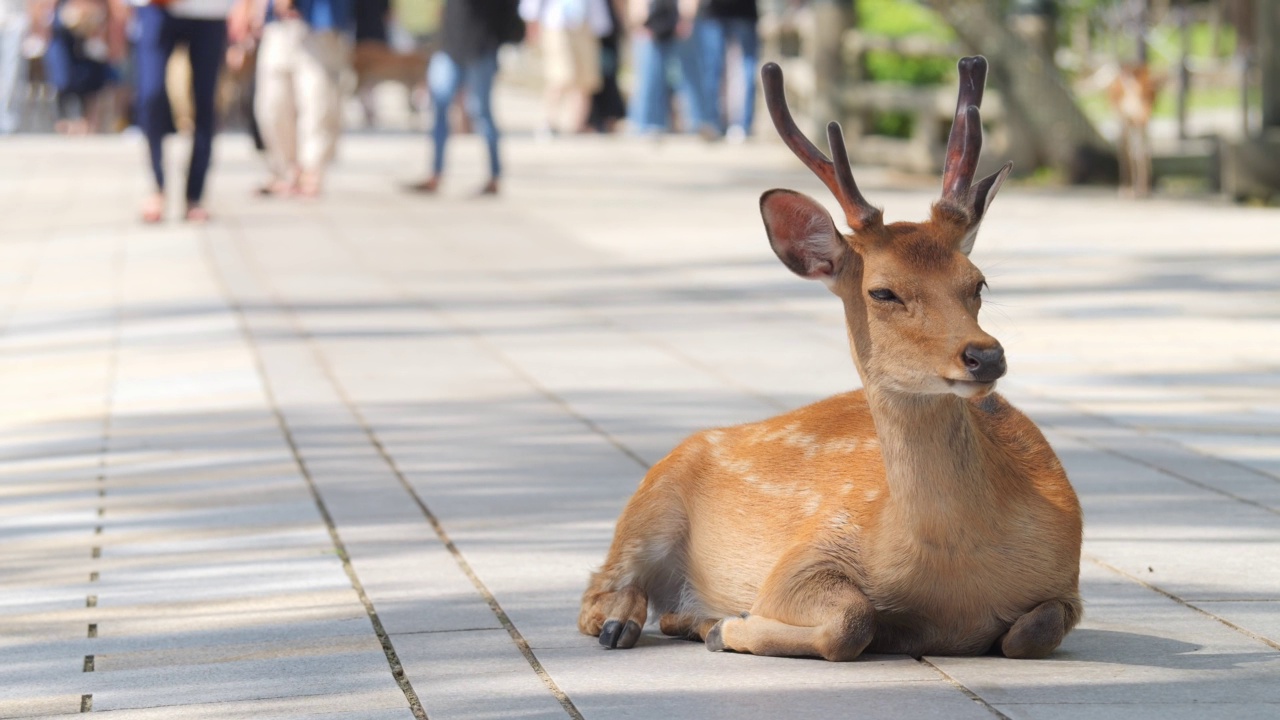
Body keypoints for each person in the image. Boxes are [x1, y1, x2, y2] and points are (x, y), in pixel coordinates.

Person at [405, 0, 519, 197]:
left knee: (482, 112)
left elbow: (508, 11)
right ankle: (435, 173)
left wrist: (497, 40)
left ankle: (494, 176)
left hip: (481, 47)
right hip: (450, 45)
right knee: (439, 107)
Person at [133, 0, 233, 223]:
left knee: (205, 102)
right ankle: (157, 187)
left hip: (210, 11)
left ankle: (194, 196)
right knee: (151, 94)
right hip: (156, 7)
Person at [254, 0, 353, 197]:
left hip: (319, 24)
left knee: (317, 102)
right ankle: (286, 169)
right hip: (277, 23)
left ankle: (311, 170)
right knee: (272, 105)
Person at [519, 0, 610, 136]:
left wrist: (601, 25)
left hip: (585, 24)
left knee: (585, 79)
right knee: (561, 76)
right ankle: (549, 122)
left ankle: (578, 124)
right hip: (558, 24)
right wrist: (532, 21)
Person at [625, 0, 710, 137]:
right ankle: (646, 123)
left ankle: (698, 122)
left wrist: (687, 18)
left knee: (691, 77)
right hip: (651, 20)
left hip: (679, 18)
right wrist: (638, 20)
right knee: (649, 78)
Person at [694, 0, 756, 141]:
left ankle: (735, 124)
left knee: (738, 69)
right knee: (714, 69)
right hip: (718, 13)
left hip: (738, 12)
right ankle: (718, 123)